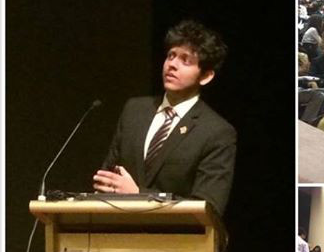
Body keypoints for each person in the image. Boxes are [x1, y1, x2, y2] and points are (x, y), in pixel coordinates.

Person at [94, 19, 236, 216]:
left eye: (185, 60)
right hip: (118, 231)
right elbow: (110, 175)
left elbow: (208, 206)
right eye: (171, 56)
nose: (172, 65)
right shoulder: (134, 110)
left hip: (177, 241)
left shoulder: (216, 132)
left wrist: (138, 195)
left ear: (206, 76)